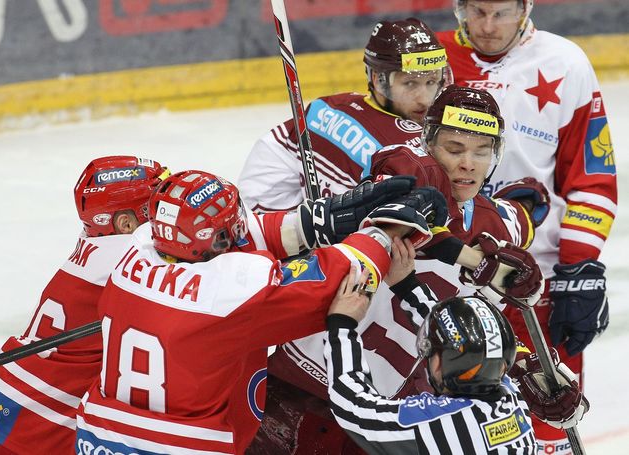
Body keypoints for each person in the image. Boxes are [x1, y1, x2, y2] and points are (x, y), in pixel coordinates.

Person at [245, 84, 549, 454]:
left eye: (481, 152)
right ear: (428, 143)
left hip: (389, 409)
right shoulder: (405, 167)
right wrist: (474, 258)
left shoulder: (501, 227)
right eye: (454, 149)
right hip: (296, 381)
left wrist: (533, 364)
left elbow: (467, 325)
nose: (467, 163)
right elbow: (413, 214)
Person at [73, 170, 443, 455]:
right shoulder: (229, 292)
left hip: (98, 438)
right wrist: (383, 230)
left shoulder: (136, 252)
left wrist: (315, 220)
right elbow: (336, 279)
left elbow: (232, 240)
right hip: (178, 445)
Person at [436, 1, 616, 451]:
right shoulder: (430, 62)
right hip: (448, 270)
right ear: (459, 8)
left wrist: (579, 270)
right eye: (477, 11)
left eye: (501, 13)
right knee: (452, 421)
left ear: (525, 7)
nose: (488, 26)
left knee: (548, 417)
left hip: (534, 277)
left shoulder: (565, 63)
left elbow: (592, 177)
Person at [0, 156, 170, 455]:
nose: (167, 222)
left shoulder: (96, 245)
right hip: (30, 431)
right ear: (125, 222)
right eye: (152, 210)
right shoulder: (133, 262)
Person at [324, 238, 588, 454]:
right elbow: (458, 336)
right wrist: (406, 285)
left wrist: (341, 324)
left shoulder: (440, 422)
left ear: (439, 364)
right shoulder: (511, 400)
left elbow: (355, 409)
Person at [238, 18, 452, 210]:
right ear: (378, 80)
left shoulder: (327, 106)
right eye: (410, 83)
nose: (424, 98)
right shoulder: (411, 147)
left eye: (431, 82)